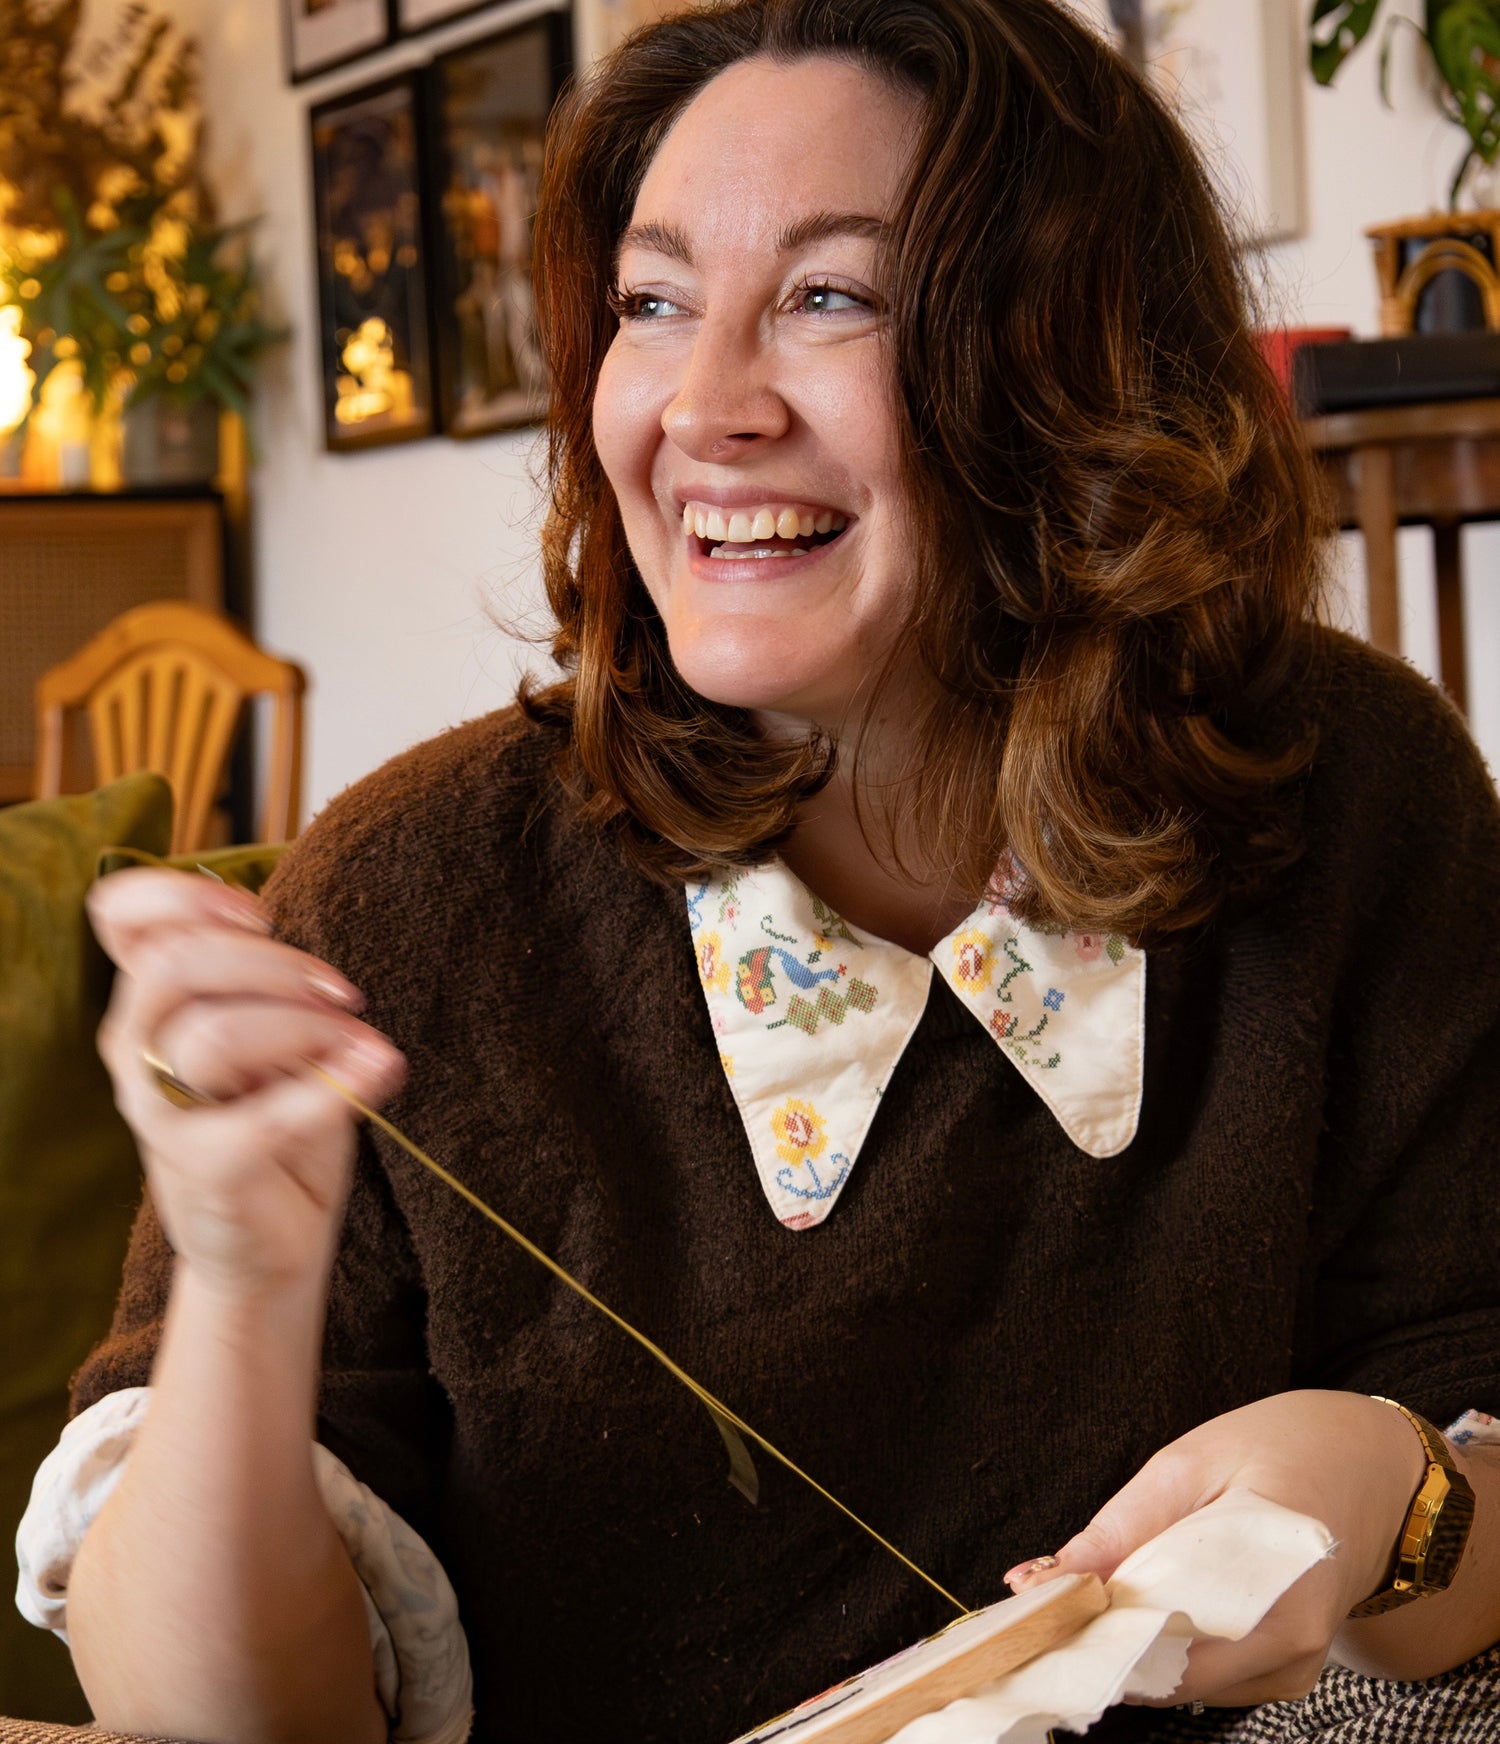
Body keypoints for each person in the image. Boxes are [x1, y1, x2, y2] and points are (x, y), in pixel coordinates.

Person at [17, 2, 1500, 1742]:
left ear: (1083, 361)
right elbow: (216, 1724)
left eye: (830, 296)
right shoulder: (406, 894)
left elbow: (1464, 1492)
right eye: (651, 304)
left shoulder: (1355, 788)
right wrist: (240, 1295)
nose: (704, 408)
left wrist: (1391, 1489)